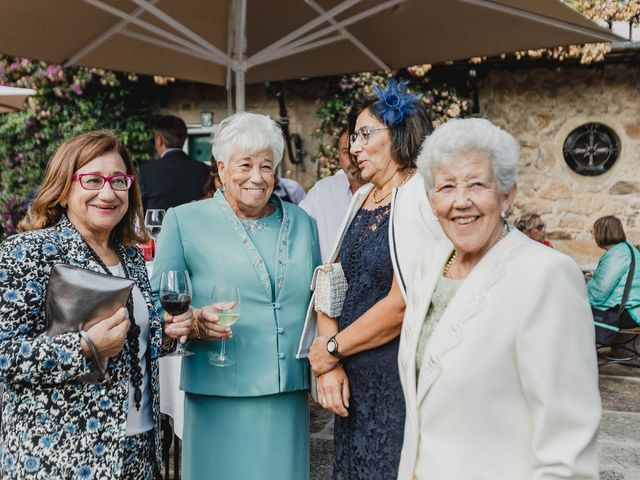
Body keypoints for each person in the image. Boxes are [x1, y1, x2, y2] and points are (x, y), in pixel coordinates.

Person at [397, 118, 601, 480]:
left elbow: (568, 449)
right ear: (430, 200)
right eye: (446, 186)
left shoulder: (546, 276)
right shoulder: (428, 266)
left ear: (507, 193)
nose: (461, 201)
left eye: (477, 184)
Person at [0, 130, 191, 479]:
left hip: (138, 447)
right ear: (64, 187)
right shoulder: (26, 252)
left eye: (119, 180)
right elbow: (4, 355)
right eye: (92, 180)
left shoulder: (131, 256)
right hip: (60, 456)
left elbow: (130, 345)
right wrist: (85, 346)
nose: (108, 193)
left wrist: (168, 331)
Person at [151, 112, 320, 480]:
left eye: (266, 165)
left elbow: (319, 302)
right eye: (245, 165)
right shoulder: (184, 220)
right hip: (216, 388)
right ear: (222, 168)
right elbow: (157, 304)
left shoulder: (305, 224)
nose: (257, 177)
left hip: (286, 391)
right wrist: (193, 321)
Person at [305, 80, 441, 480]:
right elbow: (331, 279)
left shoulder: (420, 196)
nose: (354, 147)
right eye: (353, 138)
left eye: (365, 135)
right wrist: (329, 366)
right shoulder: (361, 196)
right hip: (351, 378)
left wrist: (331, 347)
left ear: (400, 134)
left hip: (393, 379)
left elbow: (404, 303)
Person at [300, 128, 367, 261]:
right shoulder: (323, 190)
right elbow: (297, 228)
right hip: (331, 279)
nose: (354, 158)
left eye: (360, 150)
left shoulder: (388, 190)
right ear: (338, 156)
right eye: (347, 152)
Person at [138, 115, 209, 212]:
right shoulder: (204, 170)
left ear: (159, 140)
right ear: (184, 139)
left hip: (158, 227)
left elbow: (138, 209)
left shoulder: (145, 171)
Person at [587, 215, 640, 328]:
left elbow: (598, 295)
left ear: (603, 233)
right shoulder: (626, 249)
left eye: (594, 232)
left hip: (627, 313)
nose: (593, 236)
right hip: (633, 309)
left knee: (571, 307)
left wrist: (587, 283)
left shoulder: (616, 255)